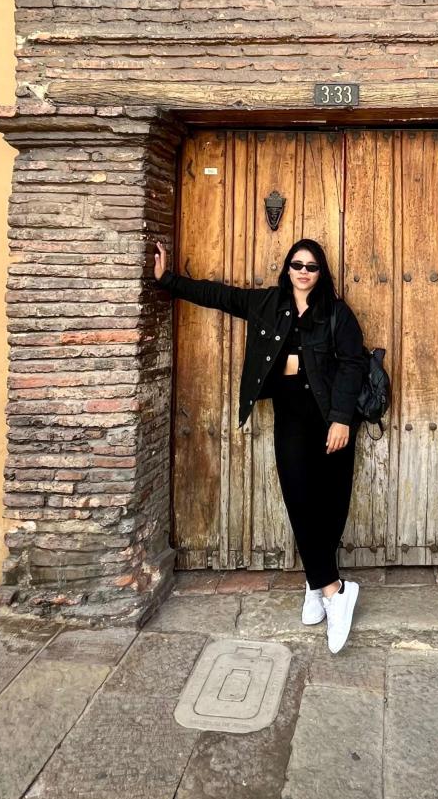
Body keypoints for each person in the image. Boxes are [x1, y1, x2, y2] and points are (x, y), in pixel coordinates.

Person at [153, 236, 364, 653]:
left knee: (331, 505)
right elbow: (217, 295)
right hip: (291, 415)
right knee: (299, 498)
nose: (303, 272)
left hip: (329, 415)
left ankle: (315, 582)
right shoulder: (267, 303)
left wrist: (341, 419)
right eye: (297, 265)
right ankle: (334, 591)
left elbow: (353, 364)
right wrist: (167, 280)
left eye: (311, 267)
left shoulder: (336, 312)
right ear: (287, 268)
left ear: (321, 273)